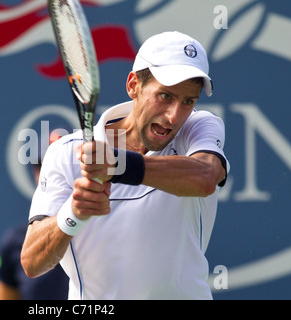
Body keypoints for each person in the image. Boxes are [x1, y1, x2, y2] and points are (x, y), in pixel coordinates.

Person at [21, 31, 230, 300]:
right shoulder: (64, 153)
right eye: (165, 96)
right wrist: (72, 213)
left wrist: (119, 164)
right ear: (133, 85)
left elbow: (206, 177)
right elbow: (32, 262)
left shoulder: (199, 127)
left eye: (188, 101)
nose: (174, 115)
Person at [0, 146, 69, 300]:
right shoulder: (13, 241)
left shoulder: (107, 230)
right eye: (45, 166)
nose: (54, 173)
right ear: (36, 174)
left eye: (63, 165)